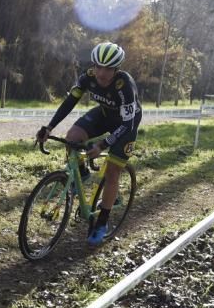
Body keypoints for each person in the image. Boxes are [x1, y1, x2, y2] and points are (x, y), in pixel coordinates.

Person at [35, 41, 142, 246]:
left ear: (116, 69)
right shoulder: (88, 77)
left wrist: (103, 145)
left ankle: (102, 222)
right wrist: (49, 127)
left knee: (112, 172)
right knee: (72, 137)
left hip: (126, 126)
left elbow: (128, 124)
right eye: (98, 66)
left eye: (108, 69)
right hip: (104, 115)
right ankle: (82, 173)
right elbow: (69, 102)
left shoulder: (124, 85)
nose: (102, 73)